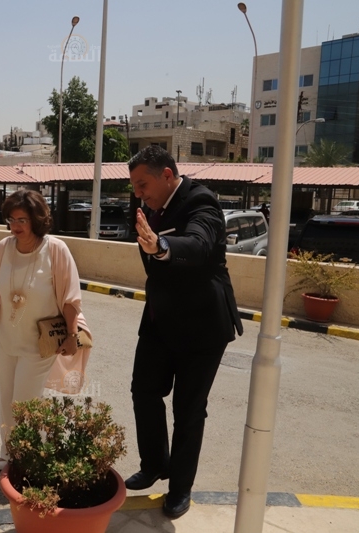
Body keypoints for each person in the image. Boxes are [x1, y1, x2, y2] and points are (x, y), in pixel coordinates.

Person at [125, 146, 243, 519]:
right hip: (160, 319)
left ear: (167, 175)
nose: (138, 193)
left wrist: (161, 246)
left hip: (202, 326)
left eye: (142, 184)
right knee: (144, 391)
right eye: (134, 186)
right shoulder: (147, 208)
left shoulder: (201, 201)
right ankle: (154, 464)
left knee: (188, 410)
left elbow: (198, 244)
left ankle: (179, 488)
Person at [0, 190, 90, 471]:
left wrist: (72, 336)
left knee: (25, 401)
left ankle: (32, 457)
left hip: (38, 345)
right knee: (6, 398)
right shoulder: (3, 248)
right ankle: (8, 453)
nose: (16, 226)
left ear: (37, 219)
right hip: (5, 340)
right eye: (11, 220)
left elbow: (71, 298)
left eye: (22, 220)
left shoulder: (55, 250)